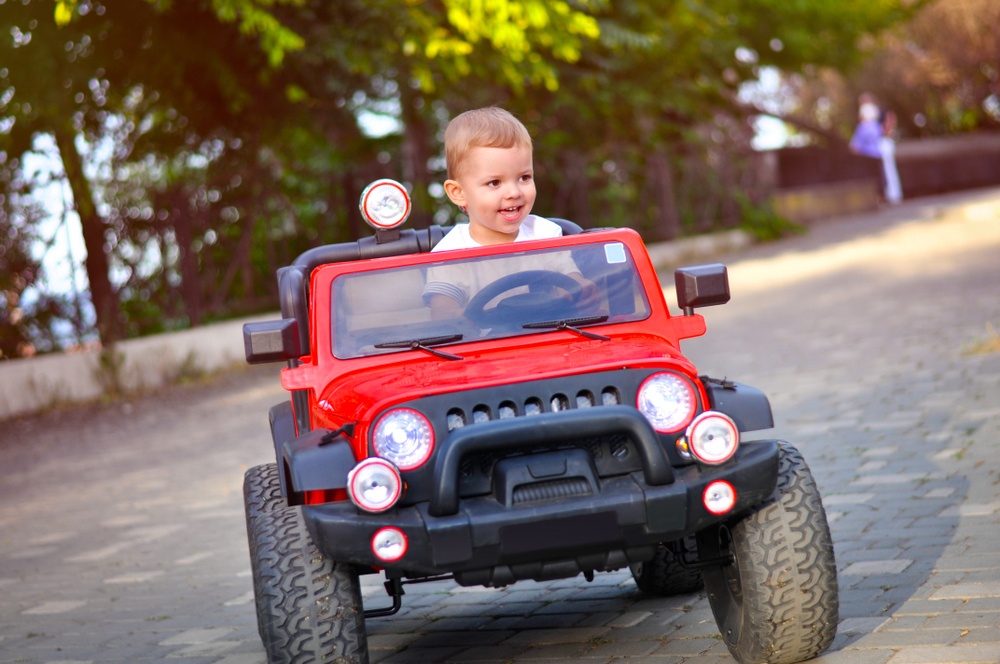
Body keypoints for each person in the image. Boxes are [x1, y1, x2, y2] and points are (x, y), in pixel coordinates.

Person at [423, 107, 597, 319]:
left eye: (524, 177)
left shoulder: (544, 233)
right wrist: (458, 316)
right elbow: (443, 313)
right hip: (486, 348)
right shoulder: (449, 254)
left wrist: (582, 289)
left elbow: (570, 279)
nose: (514, 192)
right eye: (494, 182)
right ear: (458, 193)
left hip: (551, 336)